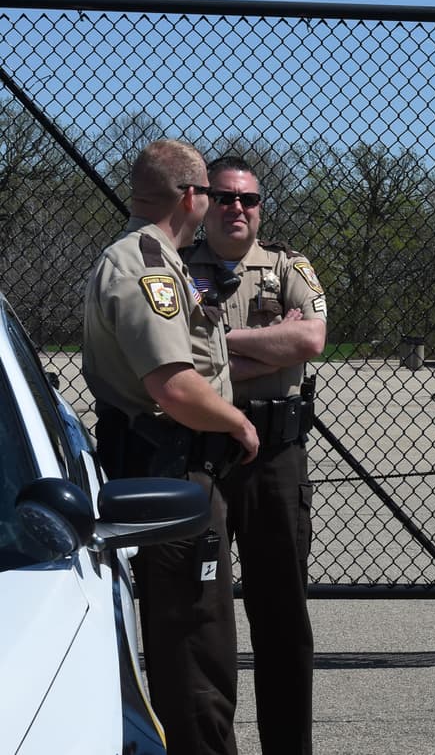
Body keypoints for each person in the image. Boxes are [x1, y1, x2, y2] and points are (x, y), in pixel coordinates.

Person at [83, 138, 260, 755]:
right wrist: (238, 423)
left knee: (192, 645)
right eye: (209, 192)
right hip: (173, 474)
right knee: (195, 650)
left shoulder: (161, 261)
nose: (213, 204)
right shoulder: (146, 267)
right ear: (190, 196)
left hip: (178, 471)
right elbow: (175, 387)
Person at [183, 155, 327, 755]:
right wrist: (271, 345)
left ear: (261, 208)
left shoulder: (288, 266)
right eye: (224, 197)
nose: (236, 208)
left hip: (275, 458)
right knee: (201, 620)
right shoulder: (175, 268)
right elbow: (175, 368)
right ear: (202, 203)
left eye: (248, 199)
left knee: (282, 618)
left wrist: (216, 345)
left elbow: (311, 337)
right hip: (201, 459)